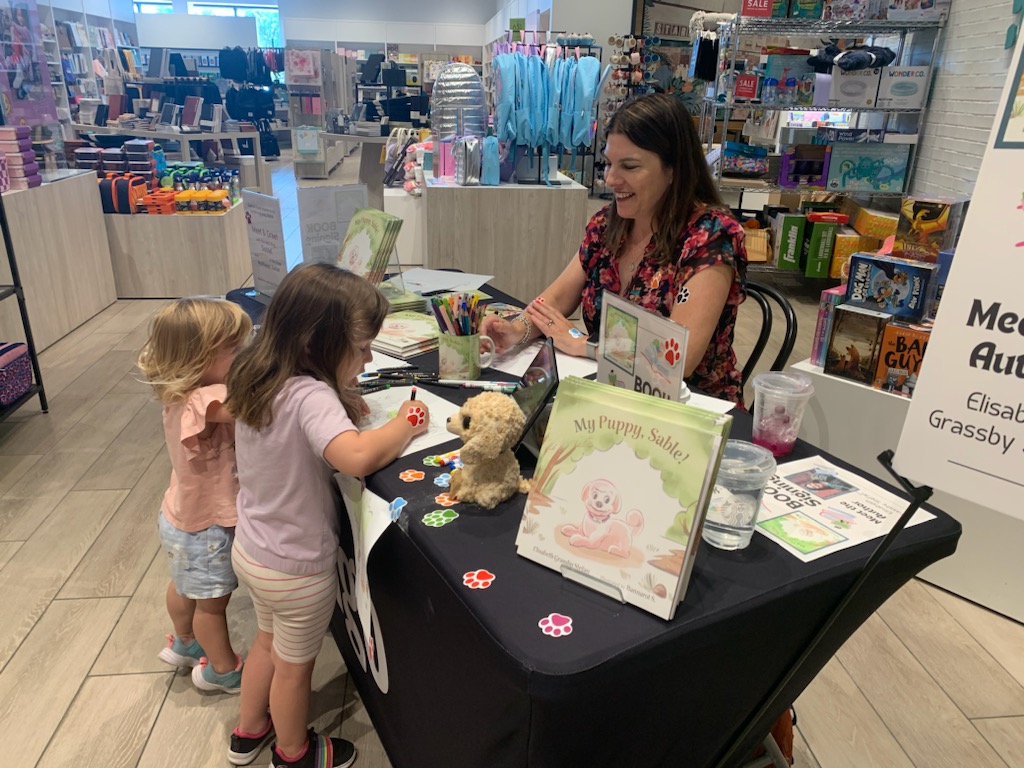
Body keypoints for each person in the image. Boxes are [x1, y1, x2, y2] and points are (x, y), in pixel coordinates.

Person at [224, 263, 430, 768]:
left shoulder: (257, 370)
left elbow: (291, 435)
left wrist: (340, 400)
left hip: (253, 549)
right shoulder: (312, 396)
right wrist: (405, 423)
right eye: (360, 347)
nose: (369, 356)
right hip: (297, 568)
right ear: (318, 343)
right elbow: (357, 457)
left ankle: (248, 730)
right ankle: (294, 753)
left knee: (266, 642)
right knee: (295, 668)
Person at [481, 93, 747, 405]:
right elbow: (555, 300)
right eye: (609, 163)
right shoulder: (607, 226)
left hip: (689, 412)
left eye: (630, 166)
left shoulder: (710, 237)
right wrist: (516, 330)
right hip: (614, 395)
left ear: (674, 169)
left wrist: (584, 343)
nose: (611, 179)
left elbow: (678, 359)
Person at [137, 297, 253, 694]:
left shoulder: (178, 394)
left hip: (180, 516)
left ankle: (185, 641)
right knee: (213, 602)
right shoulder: (206, 397)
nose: (245, 356)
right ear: (197, 358)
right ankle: (223, 669)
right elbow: (250, 407)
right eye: (236, 350)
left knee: (184, 585)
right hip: (208, 526)